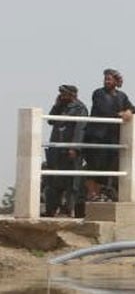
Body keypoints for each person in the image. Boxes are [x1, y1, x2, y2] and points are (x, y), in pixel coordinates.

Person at [83, 68, 135, 202]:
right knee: (94, 166)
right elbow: (103, 110)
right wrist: (120, 114)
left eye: (109, 79)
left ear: (116, 81)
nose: (106, 81)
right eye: (105, 79)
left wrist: (128, 111)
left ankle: (99, 194)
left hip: (111, 138)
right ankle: (92, 193)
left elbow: (133, 109)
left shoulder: (122, 96)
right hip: (96, 136)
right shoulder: (98, 93)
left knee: (106, 167)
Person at [43, 85, 88, 217]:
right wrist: (56, 105)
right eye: (61, 93)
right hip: (56, 149)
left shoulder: (80, 108)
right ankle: (51, 209)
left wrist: (75, 147)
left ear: (73, 94)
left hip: (70, 150)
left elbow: (80, 129)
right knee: (52, 180)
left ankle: (69, 209)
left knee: (72, 181)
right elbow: (51, 120)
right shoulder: (60, 106)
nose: (62, 96)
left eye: (65, 93)